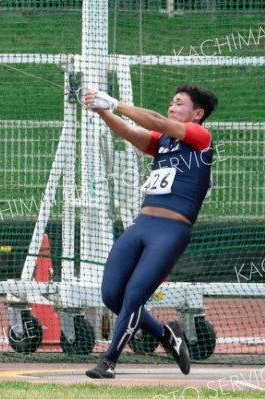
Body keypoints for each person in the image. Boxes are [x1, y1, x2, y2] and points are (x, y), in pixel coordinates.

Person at [83, 84, 218, 379]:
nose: (172, 108)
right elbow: (131, 133)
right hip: (141, 224)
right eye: (171, 103)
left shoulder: (201, 138)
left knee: (134, 296)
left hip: (170, 231)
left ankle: (108, 362)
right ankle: (168, 336)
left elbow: (155, 120)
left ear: (198, 114)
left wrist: (115, 103)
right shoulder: (164, 142)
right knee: (111, 296)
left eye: (179, 104)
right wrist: (102, 110)